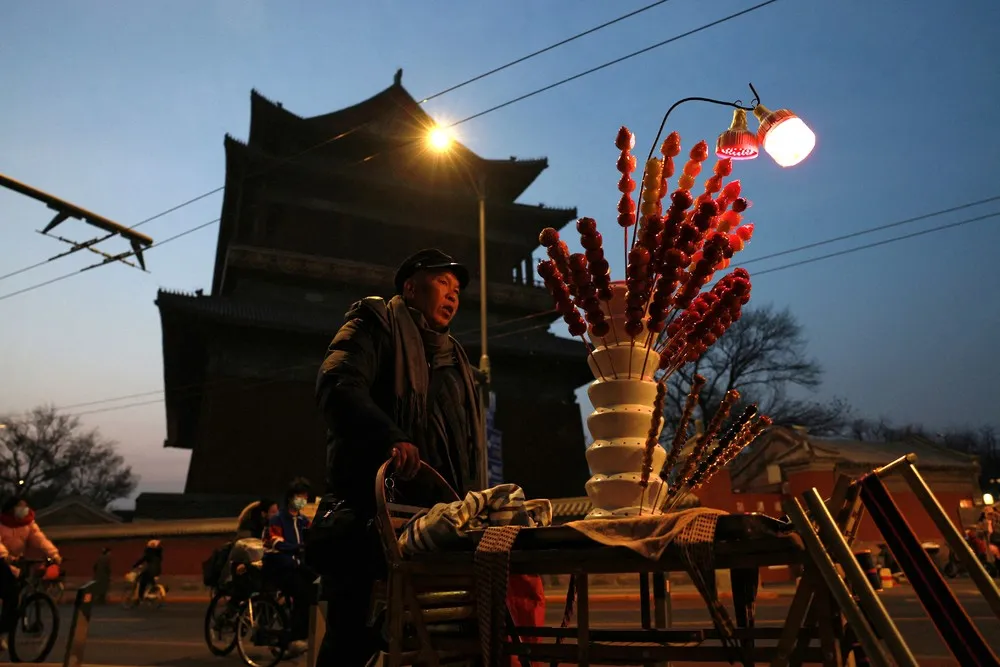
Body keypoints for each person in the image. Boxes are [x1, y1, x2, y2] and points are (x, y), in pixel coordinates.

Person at [315, 248, 485, 666]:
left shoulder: (455, 361)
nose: (453, 294)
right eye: (442, 281)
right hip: (369, 516)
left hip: (435, 525)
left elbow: (464, 447)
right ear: (410, 287)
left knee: (445, 641)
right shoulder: (374, 326)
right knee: (353, 639)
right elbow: (338, 385)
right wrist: (391, 437)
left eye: (458, 289)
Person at [0, 497, 62, 653]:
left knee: (15, 598)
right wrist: (4, 555)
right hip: (2, 561)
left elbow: (40, 540)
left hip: (17, 562)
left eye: (26, 506)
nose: (24, 509)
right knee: (9, 593)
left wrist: (53, 554)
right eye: (20, 507)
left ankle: (3, 631)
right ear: (10, 509)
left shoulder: (28, 524)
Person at [263, 478, 315, 656]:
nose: (304, 500)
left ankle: (303, 634)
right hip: (280, 568)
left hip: (297, 567)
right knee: (302, 593)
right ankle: (293, 639)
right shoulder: (278, 519)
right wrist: (297, 548)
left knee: (315, 591)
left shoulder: (304, 521)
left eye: (306, 497)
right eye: (301, 496)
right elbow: (276, 542)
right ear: (291, 498)